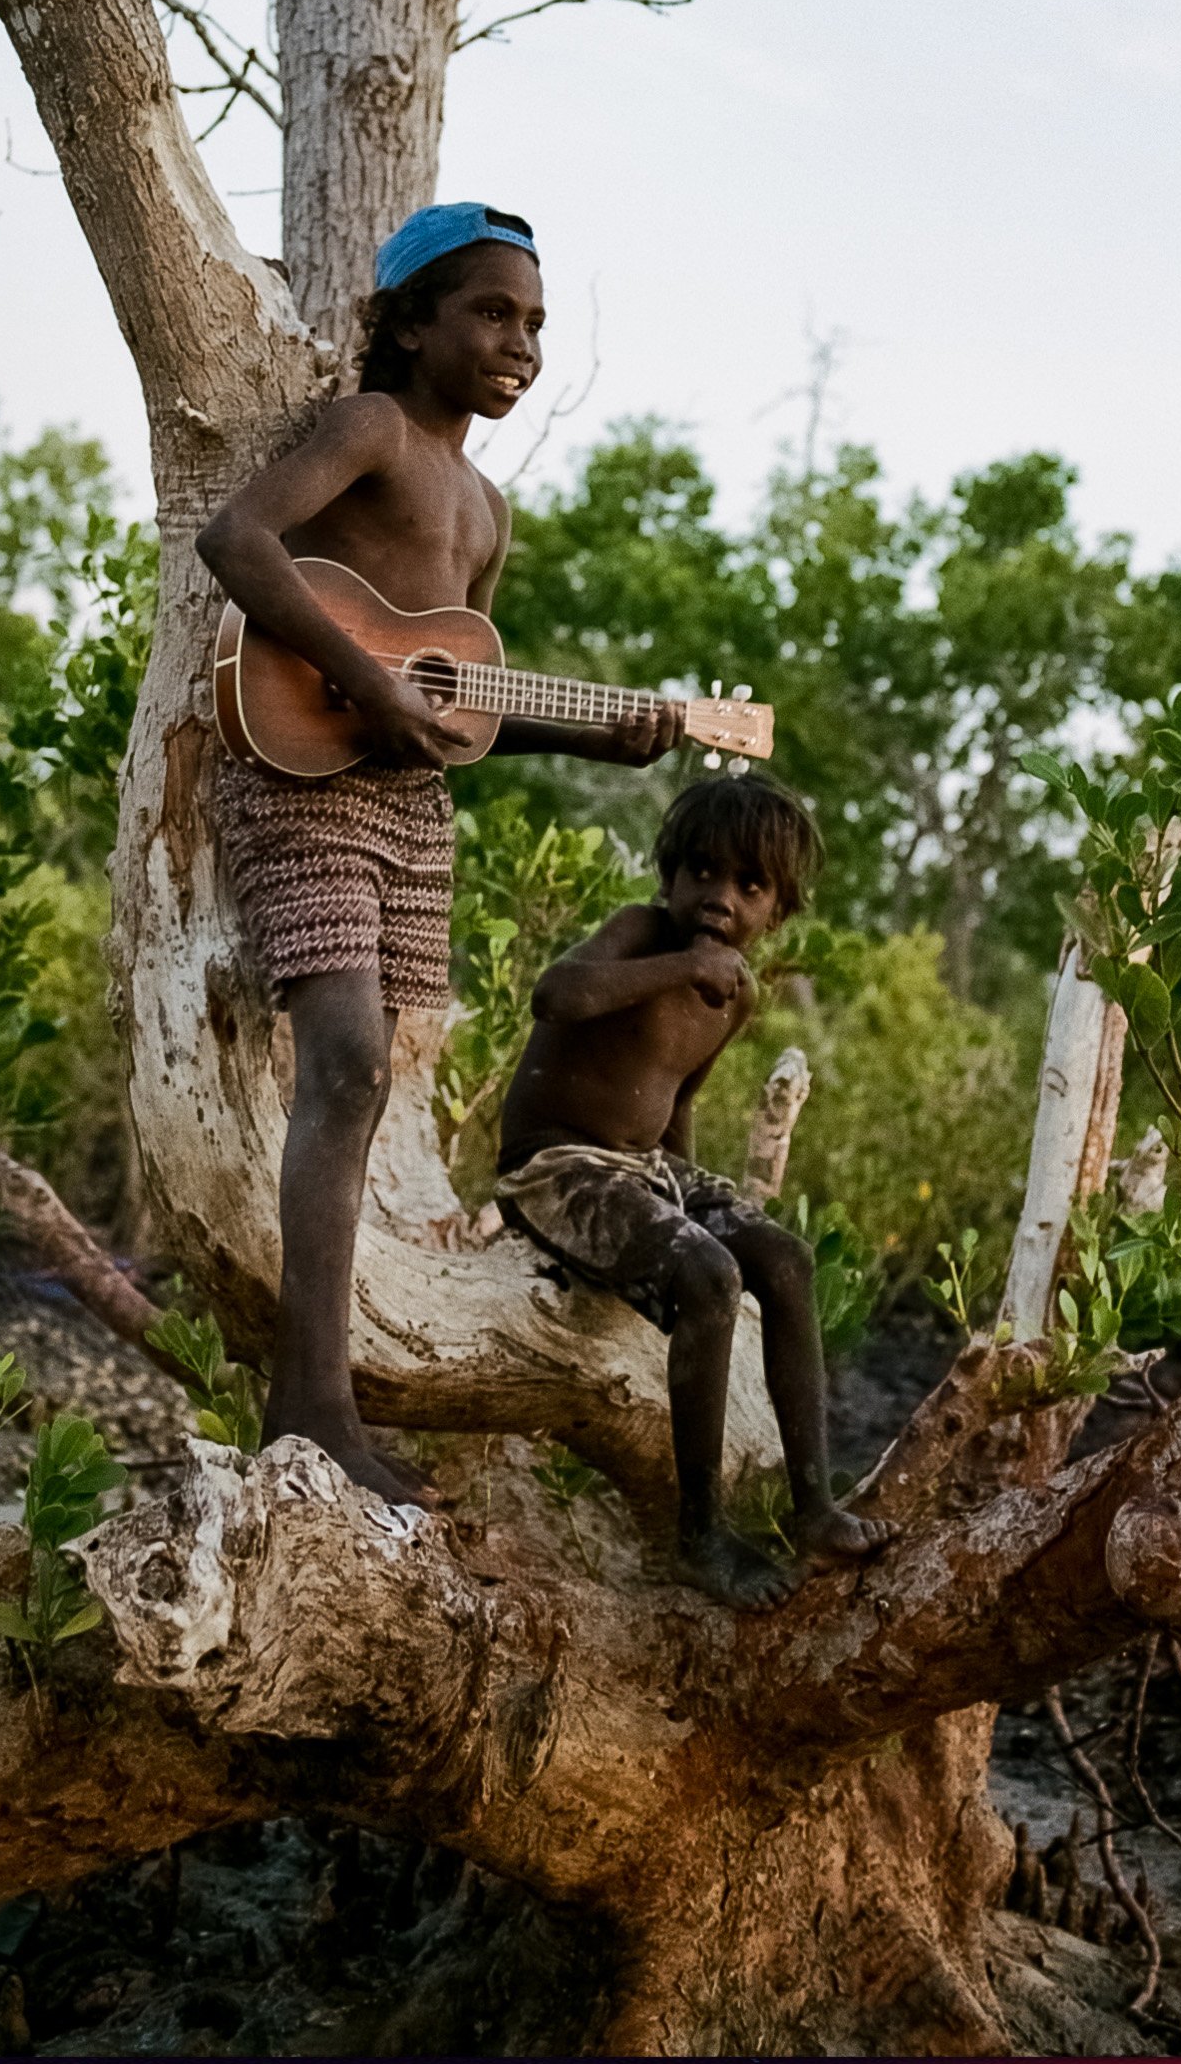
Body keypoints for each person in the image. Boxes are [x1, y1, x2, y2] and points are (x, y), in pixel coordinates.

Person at [196, 201, 686, 1505]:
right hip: (298, 776)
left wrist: (598, 740)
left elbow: (450, 711)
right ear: (409, 320)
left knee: (370, 1074)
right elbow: (236, 538)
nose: (517, 341)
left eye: (533, 321)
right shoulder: (373, 431)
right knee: (345, 1059)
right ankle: (309, 1406)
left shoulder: (486, 507)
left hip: (407, 811)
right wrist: (361, 672)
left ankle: (324, 1391)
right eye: (489, 310)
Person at [496, 773, 888, 1605]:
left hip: (644, 1167)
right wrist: (683, 963)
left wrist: (688, 1204)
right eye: (703, 873)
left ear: (776, 913)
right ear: (669, 877)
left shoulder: (733, 995)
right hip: (556, 1165)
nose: (720, 897)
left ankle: (814, 1504)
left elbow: (677, 1105)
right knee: (710, 1278)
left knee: (783, 1259)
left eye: (749, 886)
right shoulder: (642, 934)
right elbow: (556, 995)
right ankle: (699, 1534)